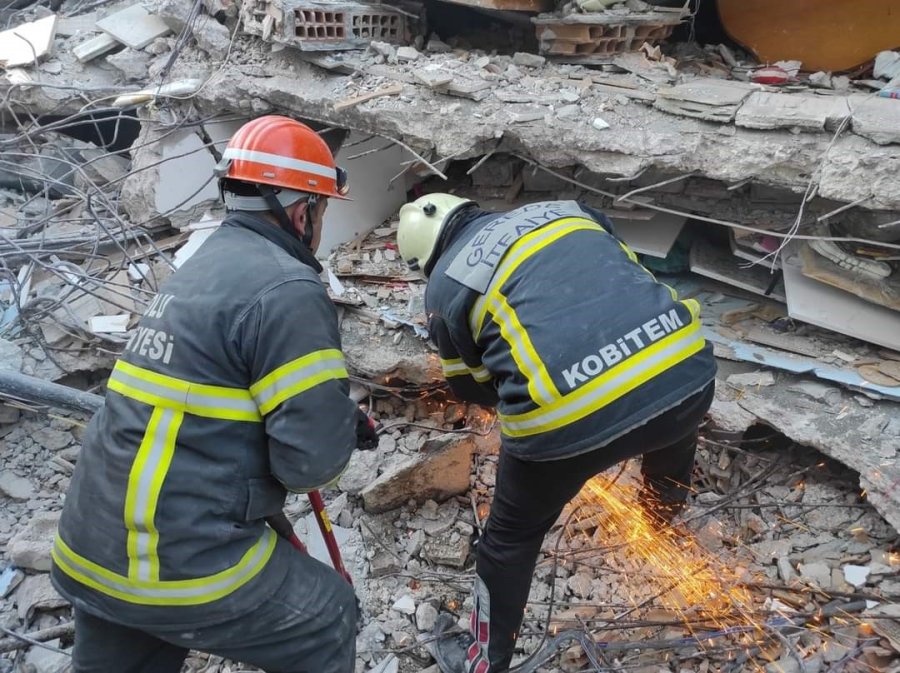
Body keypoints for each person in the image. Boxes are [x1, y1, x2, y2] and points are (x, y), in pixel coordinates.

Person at [51, 116, 378, 673]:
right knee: (326, 616)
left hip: (90, 550)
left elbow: (210, 395)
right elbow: (310, 468)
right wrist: (331, 433)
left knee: (138, 644)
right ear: (303, 212)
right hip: (171, 562)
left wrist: (329, 418)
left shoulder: (198, 267)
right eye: (322, 209)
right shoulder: (289, 288)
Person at [396, 194, 717, 673]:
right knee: (669, 414)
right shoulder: (570, 210)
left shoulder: (445, 286)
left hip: (561, 422)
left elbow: (472, 387)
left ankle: (484, 660)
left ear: (427, 259)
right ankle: (661, 516)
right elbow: (615, 282)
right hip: (687, 367)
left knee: (508, 539)